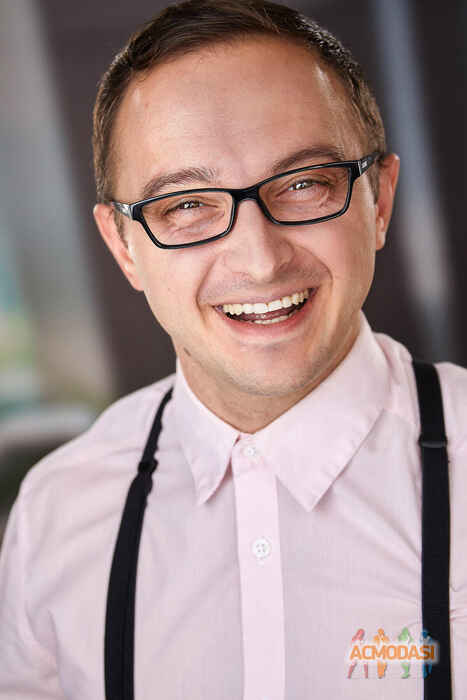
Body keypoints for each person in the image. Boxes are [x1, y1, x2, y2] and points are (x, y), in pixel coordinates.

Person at [0, 1, 466, 698]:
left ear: (379, 200)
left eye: (303, 184)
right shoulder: (58, 513)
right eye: (185, 205)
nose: (259, 259)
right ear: (123, 247)